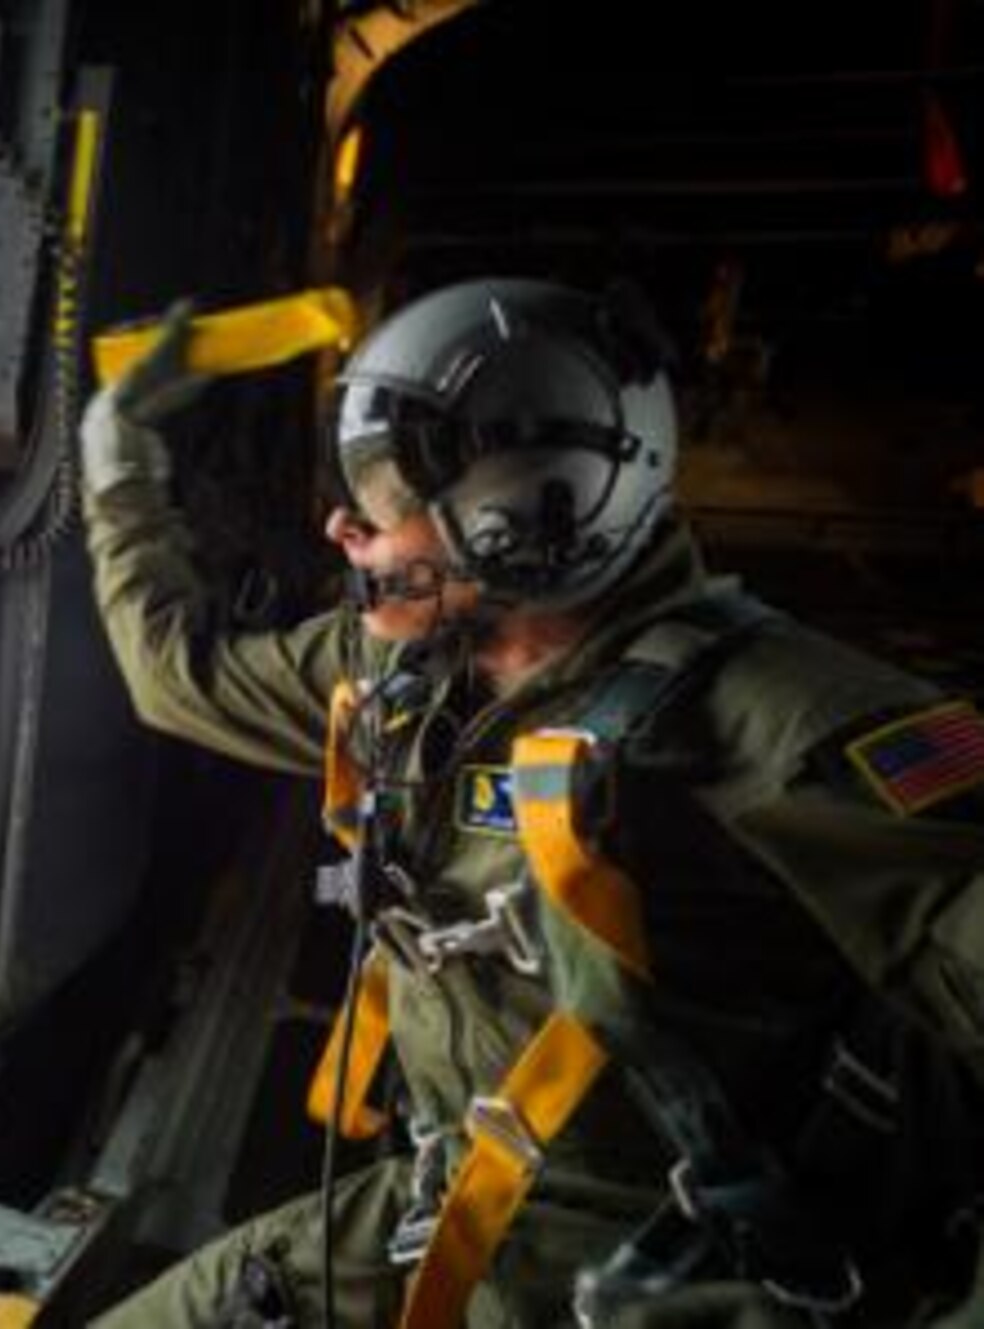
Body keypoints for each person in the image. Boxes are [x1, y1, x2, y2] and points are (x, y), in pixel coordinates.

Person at [76, 278, 984, 1327]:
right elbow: (173, 676)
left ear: (509, 528)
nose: (340, 528)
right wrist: (117, 459)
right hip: (448, 1204)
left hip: (682, 1266)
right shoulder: (406, 674)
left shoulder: (786, 725)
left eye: (378, 512)